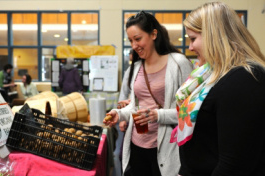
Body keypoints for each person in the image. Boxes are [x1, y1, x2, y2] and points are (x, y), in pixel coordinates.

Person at [170, 2, 265, 176]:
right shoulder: (211, 74)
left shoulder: (245, 78)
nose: (190, 47)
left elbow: (234, 164)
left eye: (193, 39)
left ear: (214, 36)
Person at [104, 11, 193, 176]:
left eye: (138, 39)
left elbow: (190, 112)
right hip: (137, 144)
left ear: (153, 34)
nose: (134, 45)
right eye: (131, 41)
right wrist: (119, 114)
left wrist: (157, 115)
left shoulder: (178, 64)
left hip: (166, 147)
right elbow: (135, 105)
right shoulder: (137, 68)